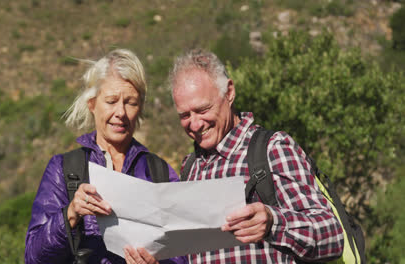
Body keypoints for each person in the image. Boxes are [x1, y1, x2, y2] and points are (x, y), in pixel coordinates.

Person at [130, 49, 345, 263]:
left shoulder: (271, 149)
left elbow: (332, 235)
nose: (195, 124)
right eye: (185, 115)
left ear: (229, 93)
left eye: (203, 109)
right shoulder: (190, 168)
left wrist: (273, 222)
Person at [25, 49, 187, 264]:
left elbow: (181, 255)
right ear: (92, 104)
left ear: (140, 108)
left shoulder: (159, 172)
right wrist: (71, 214)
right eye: (111, 101)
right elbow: (34, 257)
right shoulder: (65, 169)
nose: (120, 112)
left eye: (130, 102)